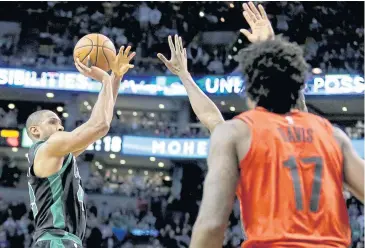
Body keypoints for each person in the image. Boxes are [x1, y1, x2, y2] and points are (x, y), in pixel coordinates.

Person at [158, 2, 364, 248]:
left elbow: (212, 226)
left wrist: (184, 76)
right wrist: (270, 47)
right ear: (297, 83)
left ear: (250, 91)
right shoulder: (332, 136)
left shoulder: (238, 134)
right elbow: (299, 110)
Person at [26, 46, 135, 248]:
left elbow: (102, 123)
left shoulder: (58, 156)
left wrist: (115, 79)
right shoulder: (49, 146)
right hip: (56, 240)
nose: (59, 126)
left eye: (60, 122)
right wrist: (105, 80)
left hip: (62, 240)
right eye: (52, 122)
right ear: (35, 131)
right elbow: (100, 125)